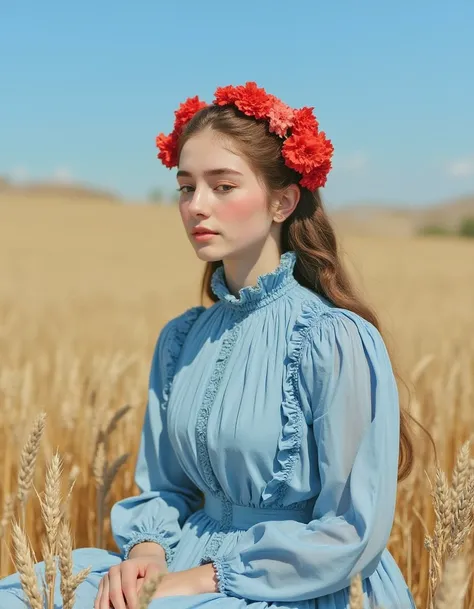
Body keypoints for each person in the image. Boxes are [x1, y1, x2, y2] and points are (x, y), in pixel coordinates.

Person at [0, 82, 417, 609]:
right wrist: (148, 554)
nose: (196, 206)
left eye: (222, 186)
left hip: (294, 585)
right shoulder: (181, 339)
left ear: (283, 201)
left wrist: (197, 581)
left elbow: (351, 530)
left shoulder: (333, 339)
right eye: (185, 187)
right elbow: (166, 487)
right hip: (182, 564)